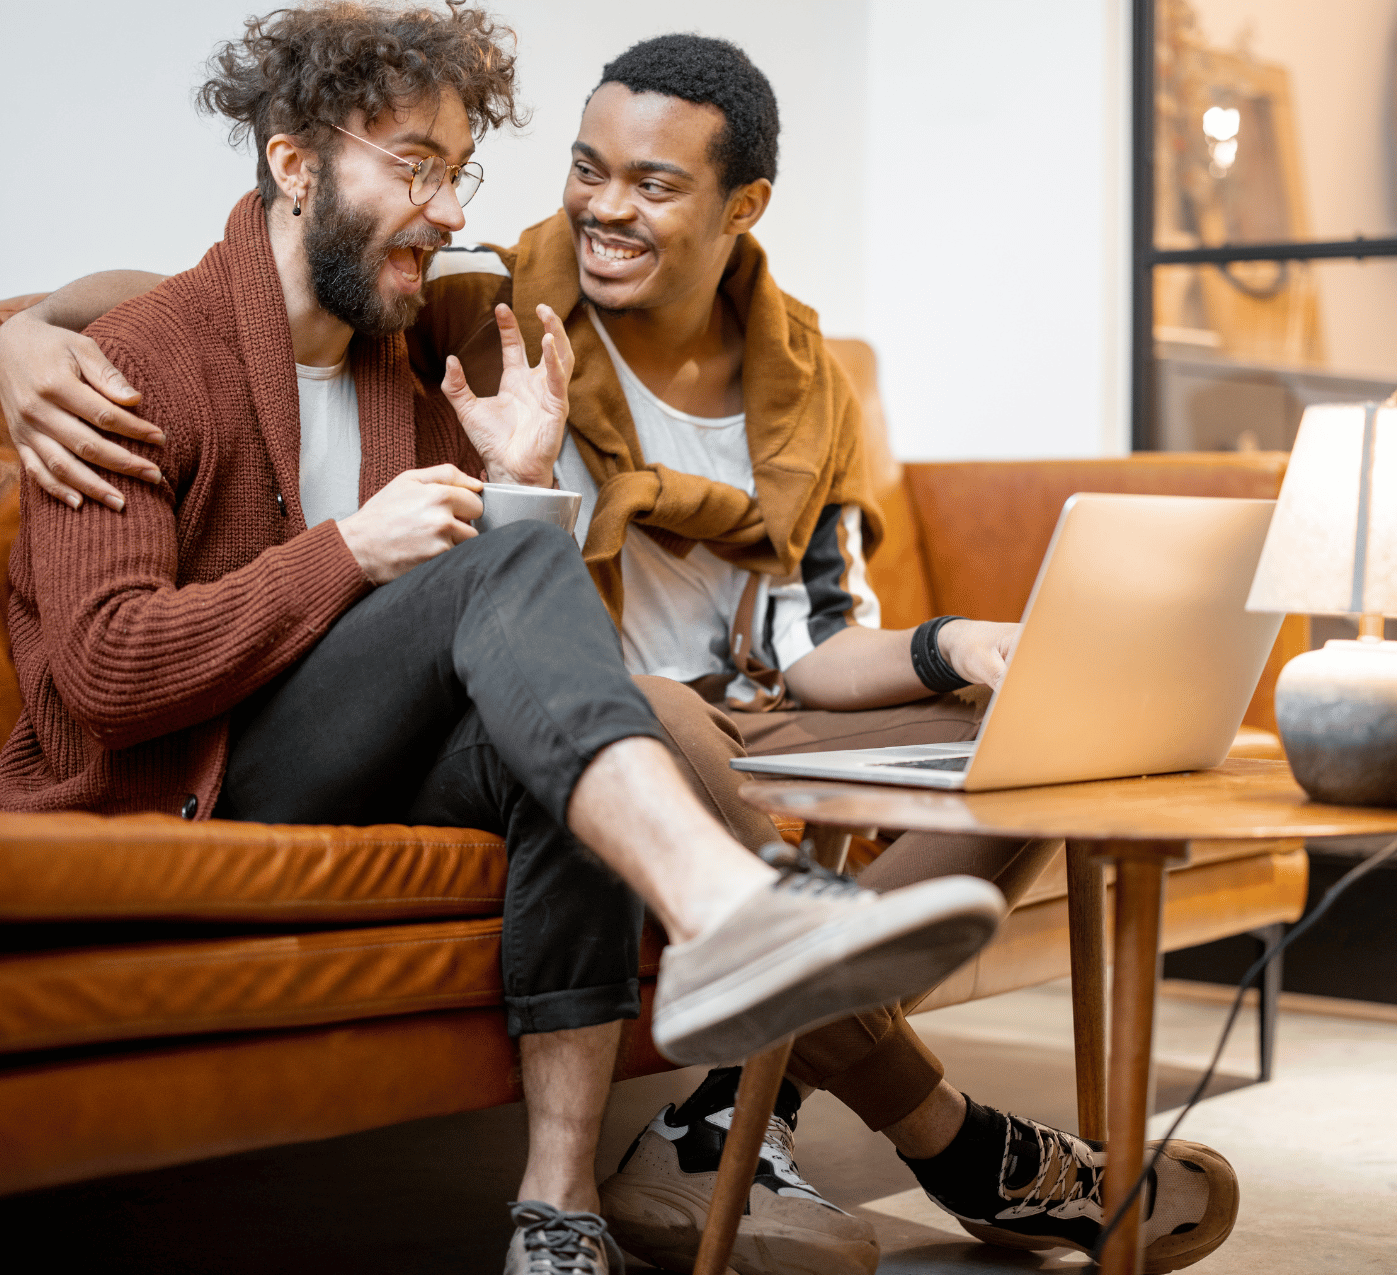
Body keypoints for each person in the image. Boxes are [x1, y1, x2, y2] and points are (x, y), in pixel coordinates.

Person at [0, 30, 1242, 1275]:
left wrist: (524, 480)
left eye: (460, 174)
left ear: (740, 209)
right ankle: (855, 1044)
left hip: (458, 725)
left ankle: (562, 1202)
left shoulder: (428, 349)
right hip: (211, 769)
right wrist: (22, 339)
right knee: (604, 686)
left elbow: (569, 625)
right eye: (417, 168)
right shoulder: (232, 354)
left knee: (582, 750)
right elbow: (113, 669)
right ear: (296, 165)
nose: (450, 211)